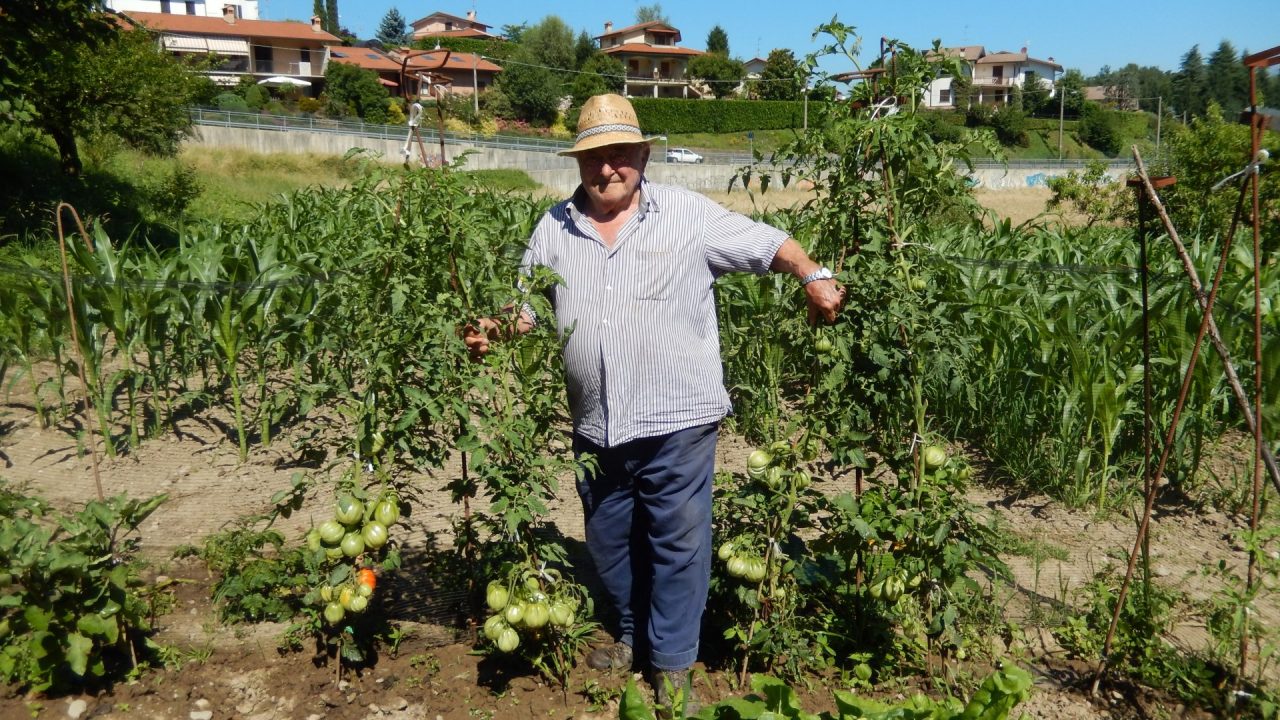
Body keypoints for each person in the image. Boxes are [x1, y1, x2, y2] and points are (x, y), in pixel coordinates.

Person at [463, 94, 843, 711]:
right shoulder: (552, 227)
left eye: (620, 155)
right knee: (609, 540)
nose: (607, 168)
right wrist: (495, 328)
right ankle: (630, 634)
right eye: (594, 157)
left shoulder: (686, 214)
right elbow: (528, 310)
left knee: (676, 543)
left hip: (679, 420)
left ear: (642, 155)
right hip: (597, 424)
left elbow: (769, 243)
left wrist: (812, 276)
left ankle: (671, 664)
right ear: (578, 163)